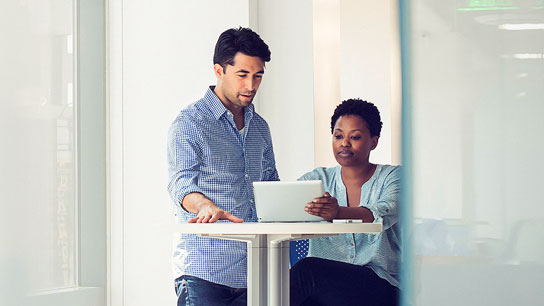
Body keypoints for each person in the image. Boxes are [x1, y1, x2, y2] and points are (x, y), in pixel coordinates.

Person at [167, 27, 279, 306]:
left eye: (258, 76)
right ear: (219, 70)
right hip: (205, 271)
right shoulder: (190, 124)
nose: (251, 85)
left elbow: (271, 187)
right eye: (242, 75)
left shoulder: (260, 128)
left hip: (254, 272)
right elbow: (181, 184)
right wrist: (203, 205)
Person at [290, 98, 401, 306]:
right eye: (338, 136)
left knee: (306, 270)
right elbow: (286, 205)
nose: (344, 143)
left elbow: (386, 210)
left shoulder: (393, 177)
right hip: (325, 289)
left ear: (374, 141)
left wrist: (338, 212)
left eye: (355, 137)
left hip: (380, 285)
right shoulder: (317, 179)